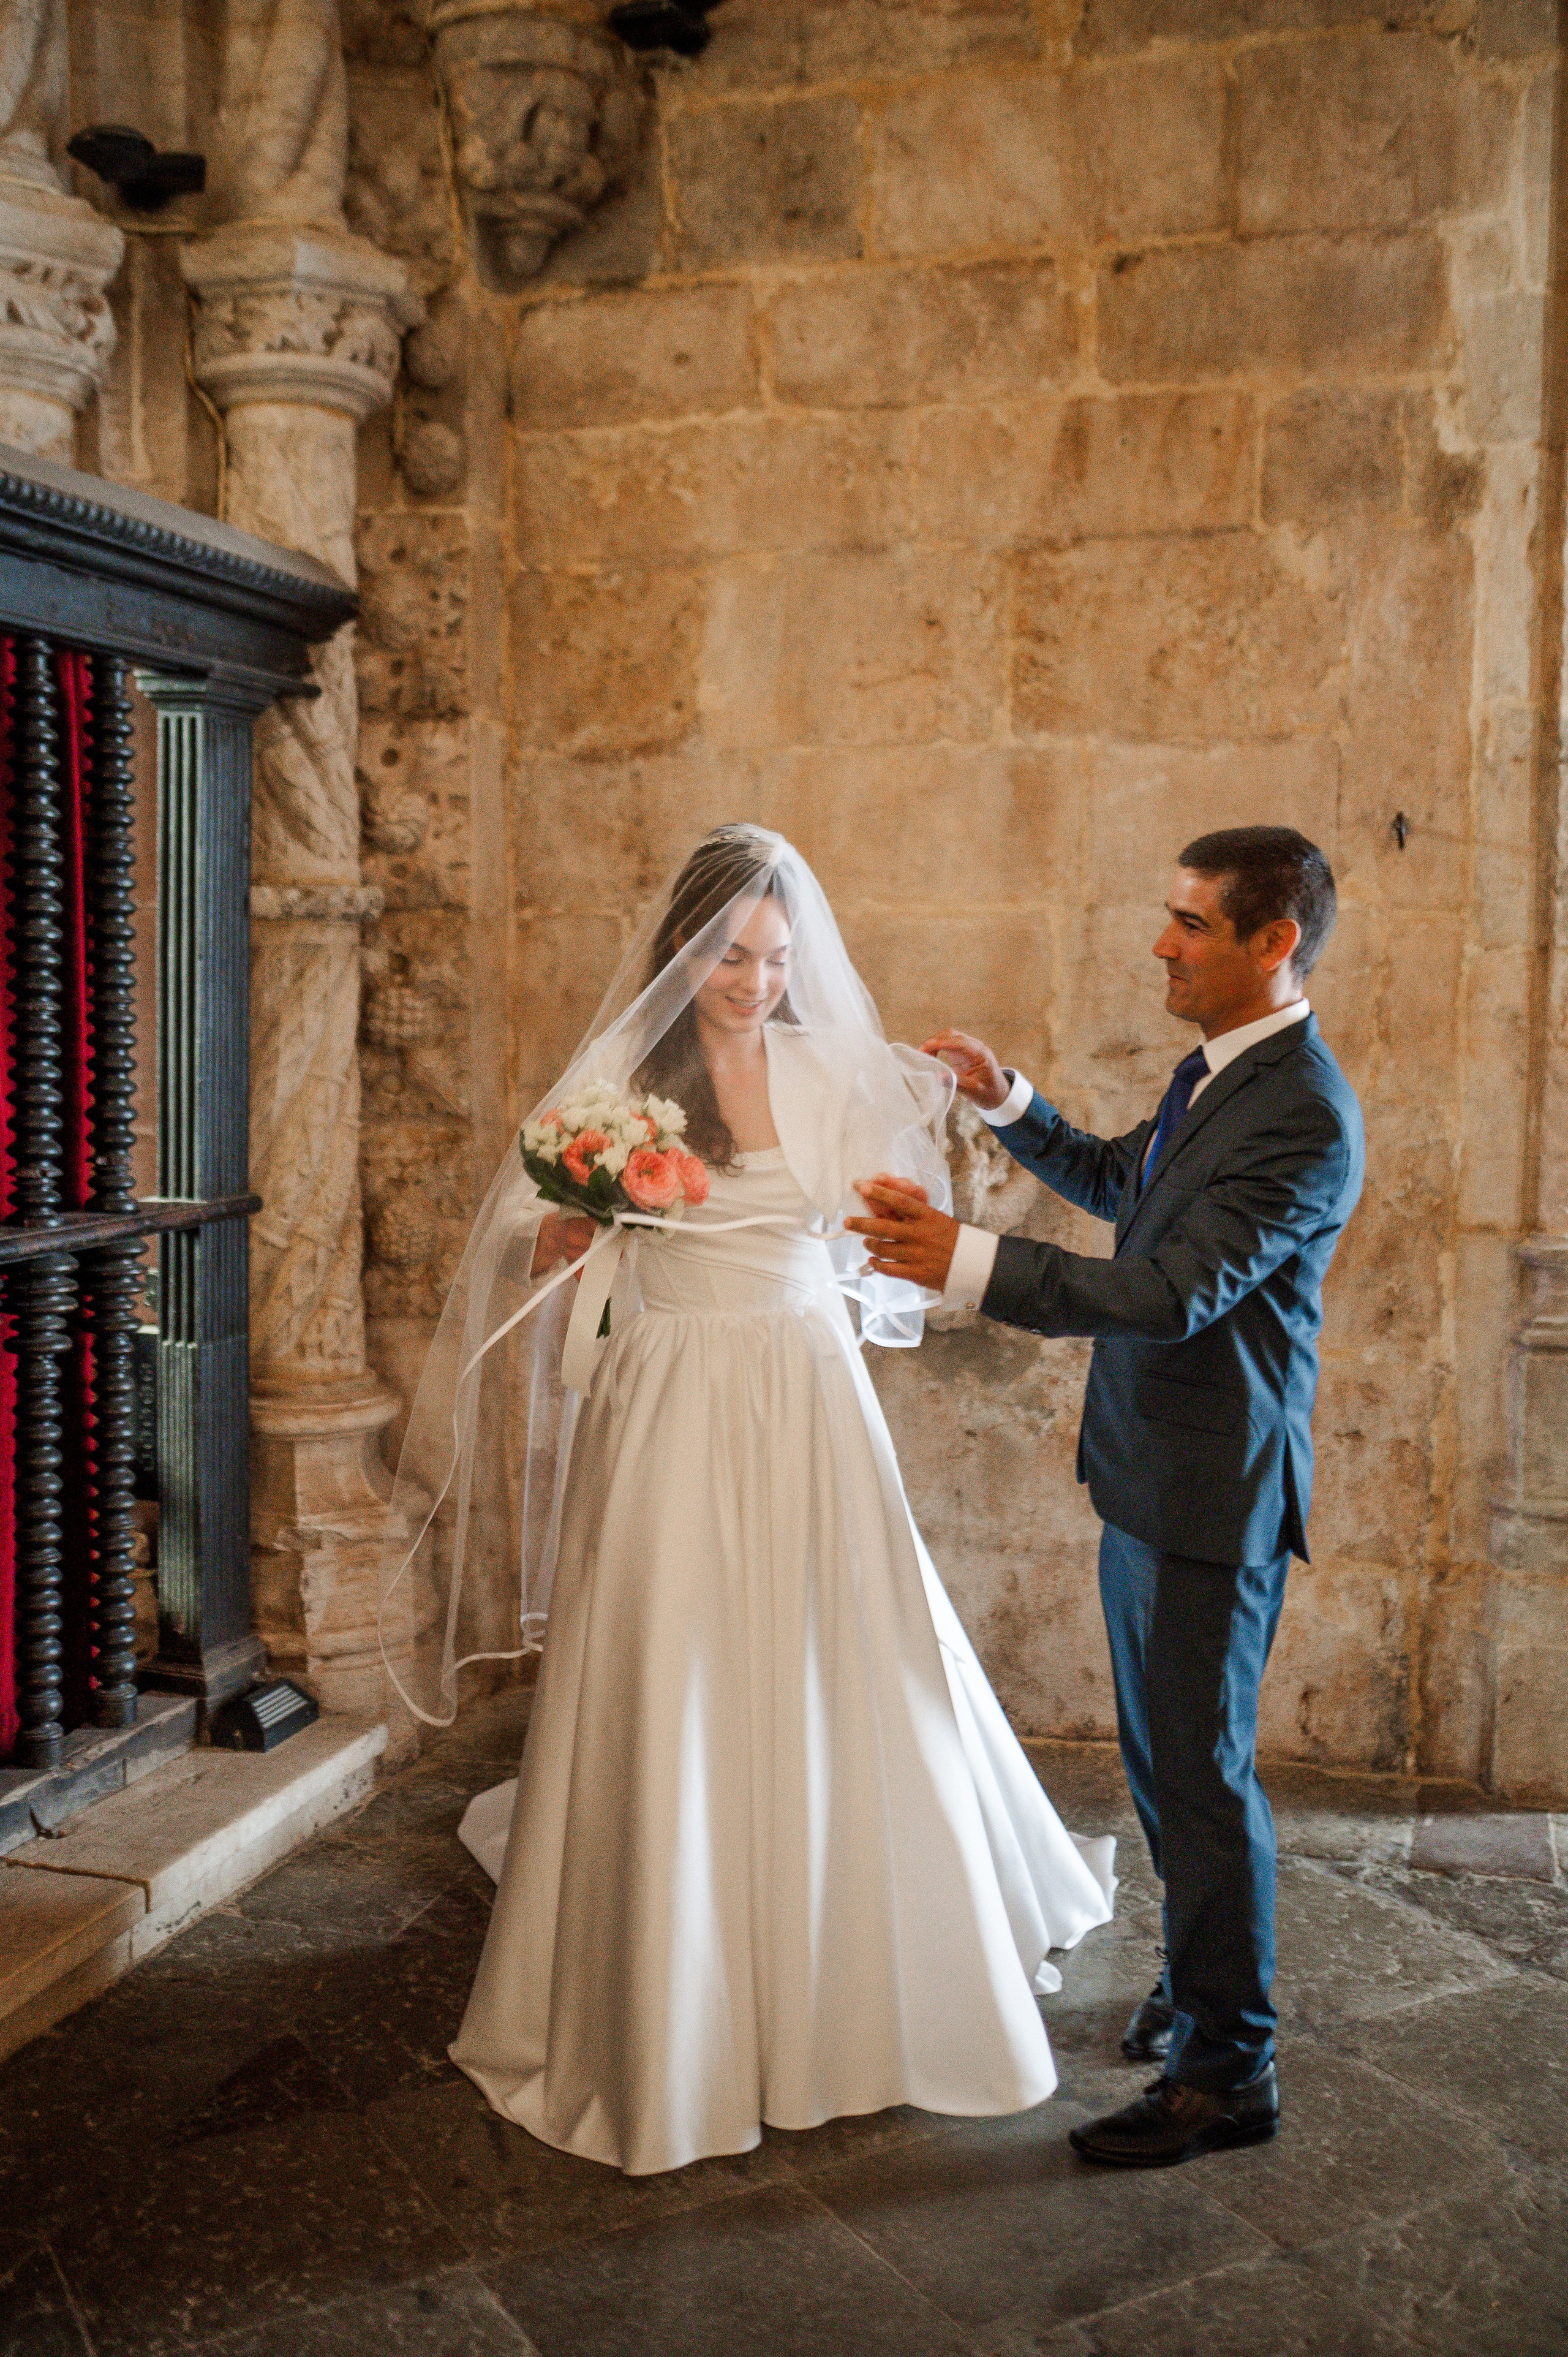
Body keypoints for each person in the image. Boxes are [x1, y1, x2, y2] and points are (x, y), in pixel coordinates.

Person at [385, 825, 1114, 2177]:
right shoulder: (621, 1077)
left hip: (799, 1386)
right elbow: (522, 1223)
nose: (759, 980)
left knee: (834, 1645)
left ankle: (858, 1936)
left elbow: (884, 1233)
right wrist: (561, 1229)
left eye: (778, 958)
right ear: (682, 945)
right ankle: (675, 1952)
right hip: (664, 1389)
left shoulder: (823, 1064)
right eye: (734, 953)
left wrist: (917, 1146)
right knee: (676, 1652)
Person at [848, 826, 1364, 2170]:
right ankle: (1199, 1984)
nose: (1161, 944)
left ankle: (1228, 2068)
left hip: (1211, 1497)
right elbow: (1123, 1188)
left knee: (1200, 1778)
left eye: (1190, 924)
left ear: (1273, 942)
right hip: (1149, 1476)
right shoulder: (1215, 1077)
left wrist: (961, 1260)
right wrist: (1012, 1102)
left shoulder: (1302, 1110)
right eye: (1169, 916)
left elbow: (1165, 1291)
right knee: (1164, 1769)